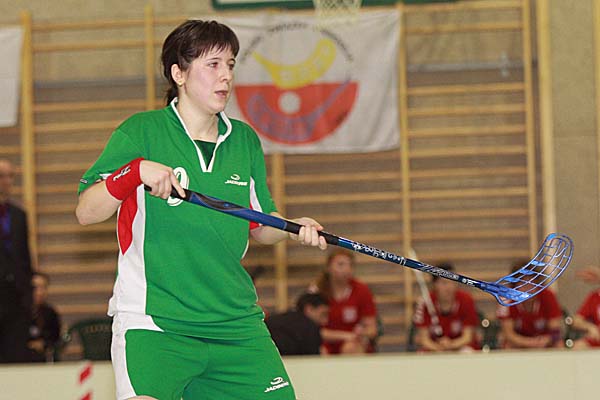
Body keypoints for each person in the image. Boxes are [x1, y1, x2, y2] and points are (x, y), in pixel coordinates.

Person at [75, 20, 327, 400]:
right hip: (157, 323)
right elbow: (86, 211)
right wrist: (134, 172)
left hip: (235, 324)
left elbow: (260, 225)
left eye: (231, 65)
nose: (226, 76)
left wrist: (294, 227)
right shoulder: (141, 131)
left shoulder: (244, 140)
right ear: (179, 73)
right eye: (213, 64)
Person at [312, 249, 379, 354]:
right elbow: (311, 330)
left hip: (353, 343)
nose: (346, 269)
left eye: (350, 265)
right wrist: (346, 336)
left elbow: (372, 329)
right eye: (341, 264)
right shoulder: (316, 291)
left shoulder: (362, 290)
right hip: (325, 343)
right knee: (320, 350)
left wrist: (362, 333)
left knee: (350, 348)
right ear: (328, 267)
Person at [0, 158, 34, 363]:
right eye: (1, 176)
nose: (6, 181)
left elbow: (25, 256)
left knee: (16, 355)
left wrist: (28, 291)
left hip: (16, 296)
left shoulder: (18, 215)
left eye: (10, 176)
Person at [413, 263, 479, 352]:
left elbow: (467, 337)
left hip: (460, 347)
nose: (449, 287)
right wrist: (439, 348)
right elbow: (424, 339)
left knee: (468, 351)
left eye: (453, 282)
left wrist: (450, 345)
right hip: (434, 348)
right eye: (444, 283)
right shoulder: (425, 302)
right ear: (434, 284)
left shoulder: (466, 300)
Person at [496, 261, 563, 349]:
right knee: (508, 345)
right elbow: (509, 334)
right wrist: (530, 343)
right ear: (514, 286)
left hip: (543, 341)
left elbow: (555, 330)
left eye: (532, 284)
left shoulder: (548, 296)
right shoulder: (505, 299)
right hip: (519, 343)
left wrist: (546, 340)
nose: (528, 289)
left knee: (559, 344)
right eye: (523, 284)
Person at [28, 272, 61, 362]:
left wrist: (44, 343)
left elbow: (56, 338)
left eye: (43, 287)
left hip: (43, 358)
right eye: (36, 287)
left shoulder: (50, 313)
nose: (40, 292)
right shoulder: (16, 313)